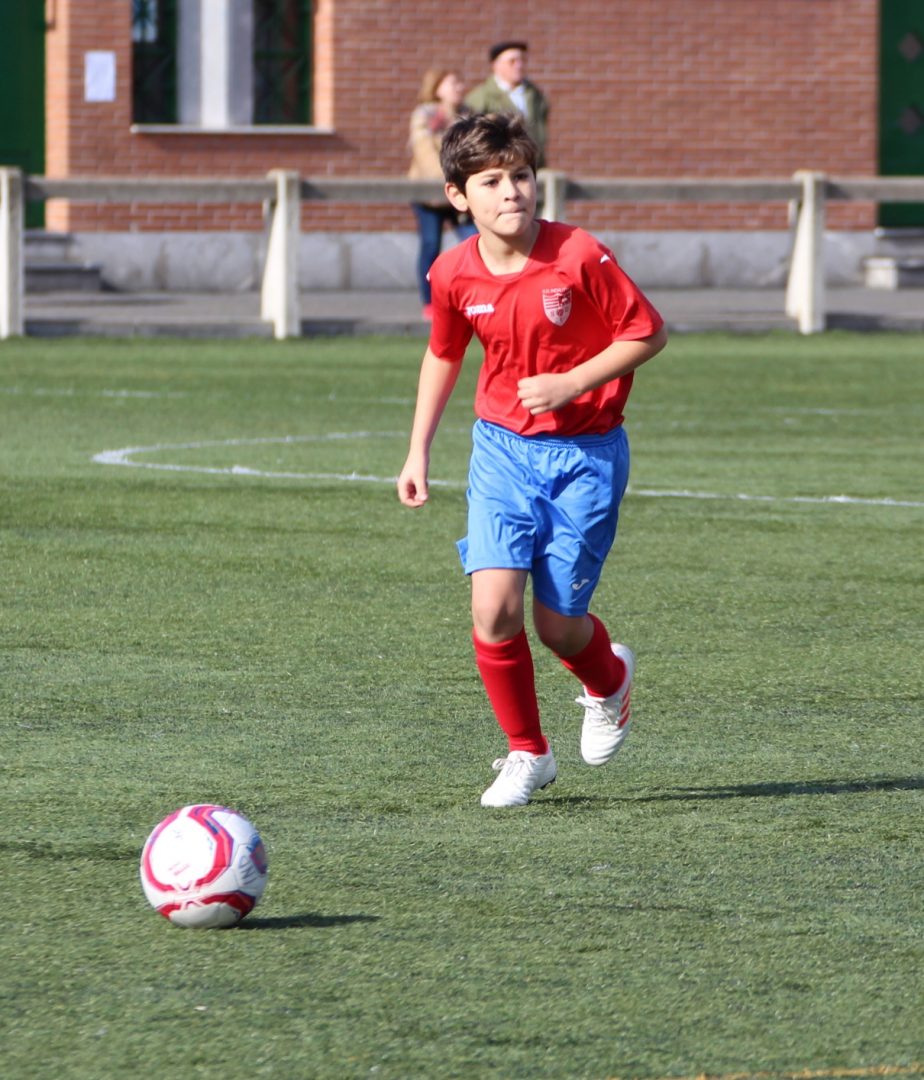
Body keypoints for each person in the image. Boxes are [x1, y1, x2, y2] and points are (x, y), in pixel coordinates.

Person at [397, 113, 667, 808]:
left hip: (586, 454)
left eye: (520, 175)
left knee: (557, 626)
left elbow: (647, 333)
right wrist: (417, 450)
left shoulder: (579, 254)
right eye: (490, 181)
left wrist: (572, 383)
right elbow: (443, 354)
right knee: (493, 609)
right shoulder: (452, 272)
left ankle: (609, 680)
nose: (510, 191)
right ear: (458, 197)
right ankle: (527, 752)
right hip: (501, 451)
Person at [408, 68, 478, 320]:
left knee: (475, 239)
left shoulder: (469, 116)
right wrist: (448, 177)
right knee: (430, 244)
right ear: (437, 88)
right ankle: (430, 302)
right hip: (430, 194)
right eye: (452, 83)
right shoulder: (425, 115)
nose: (458, 87)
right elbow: (424, 151)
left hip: (459, 194)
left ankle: (475, 297)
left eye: (460, 82)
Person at [465, 41, 550, 167]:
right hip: (499, 165)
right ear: (496, 65)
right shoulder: (481, 97)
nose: (519, 65)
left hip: (532, 164)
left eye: (522, 60)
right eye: (512, 61)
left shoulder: (536, 95)